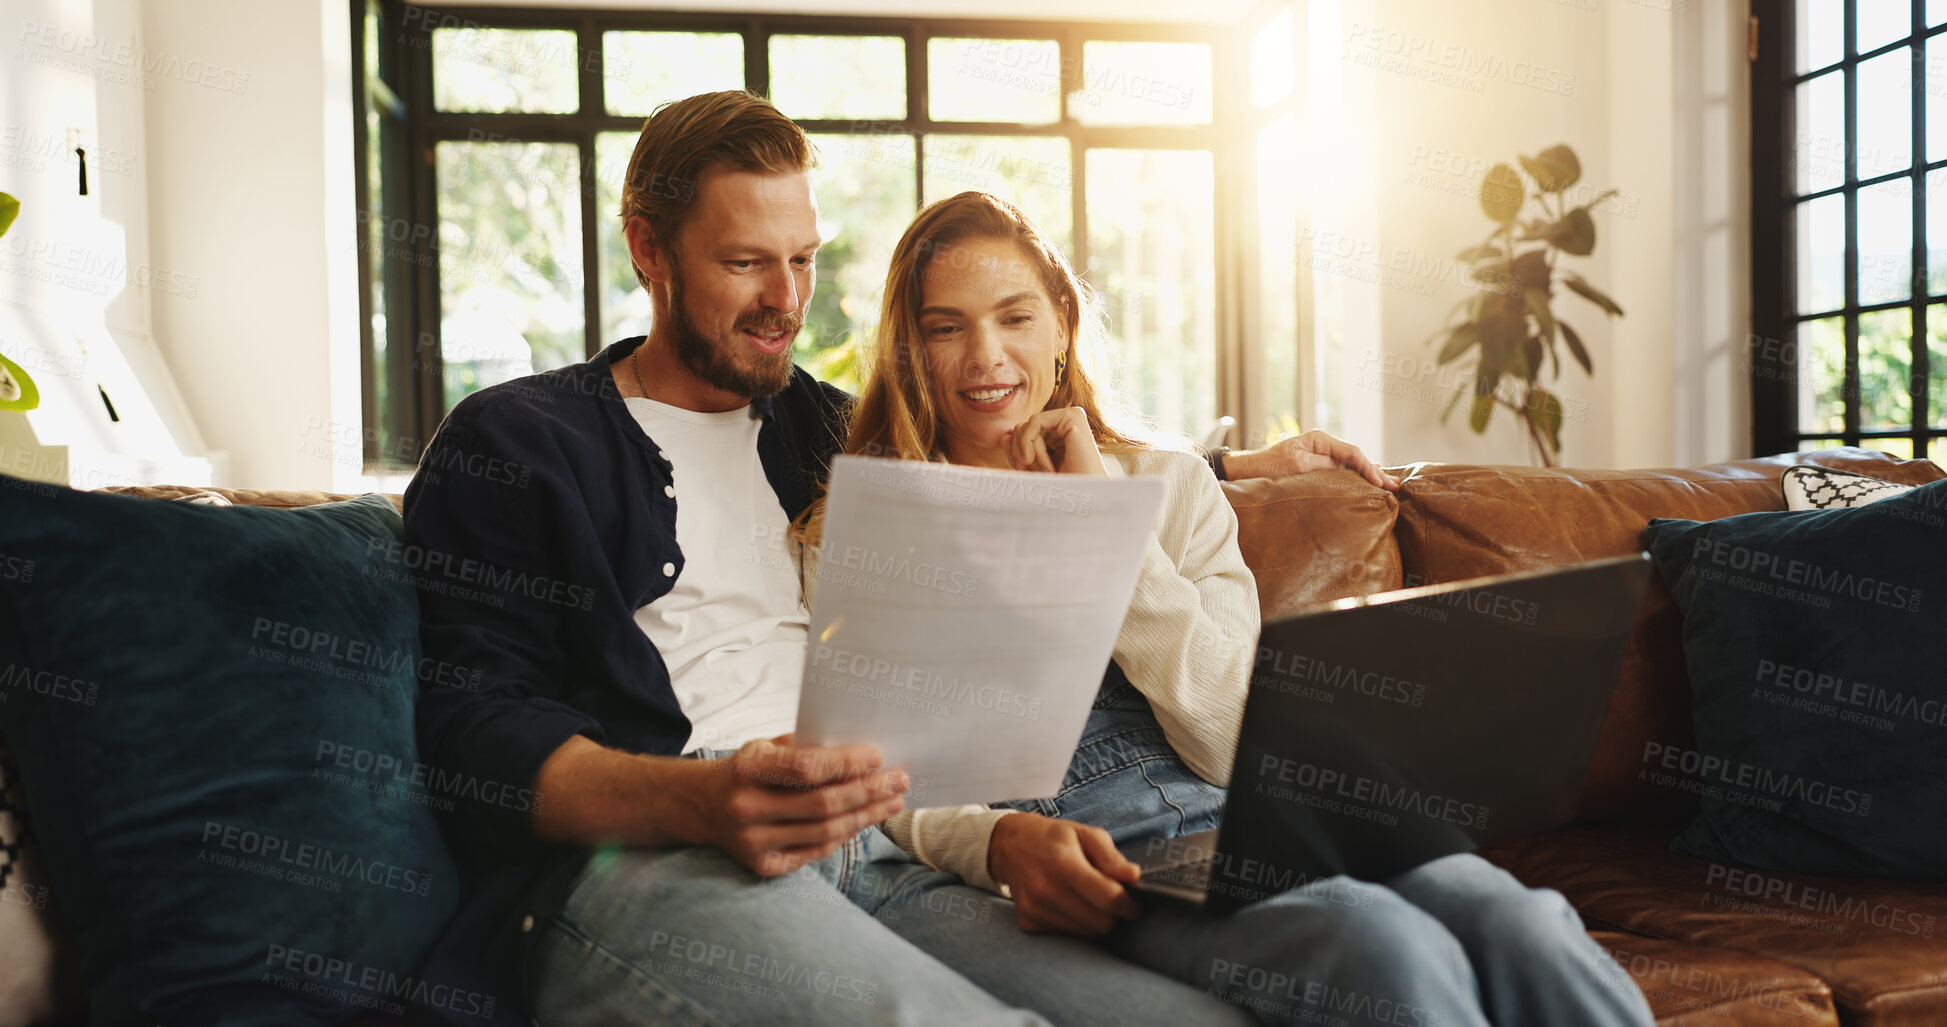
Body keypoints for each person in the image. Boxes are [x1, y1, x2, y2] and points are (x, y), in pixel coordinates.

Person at [403, 90, 1392, 1026]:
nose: (785, 301)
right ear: (648, 250)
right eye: (745, 263)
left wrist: (1228, 466)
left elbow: (995, 457)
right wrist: (703, 798)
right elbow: (473, 729)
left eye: (803, 259)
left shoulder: (827, 434)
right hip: (659, 855)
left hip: (882, 852)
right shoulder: (519, 441)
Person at [805, 190, 1656, 1027]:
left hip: (1258, 818)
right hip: (1106, 855)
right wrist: (993, 850)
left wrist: (1106, 526)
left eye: (1014, 317)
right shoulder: (867, 529)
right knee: (1379, 945)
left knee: (1520, 920)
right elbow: (879, 787)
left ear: (1061, 324)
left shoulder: (1172, 486)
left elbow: (1226, 743)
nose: (985, 356)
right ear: (911, 350)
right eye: (945, 328)